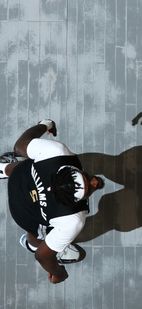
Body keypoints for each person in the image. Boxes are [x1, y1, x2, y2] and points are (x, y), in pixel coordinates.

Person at [0, 119, 104, 283]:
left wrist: (46, 124)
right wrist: (58, 273)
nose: (95, 182)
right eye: (89, 189)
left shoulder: (56, 153)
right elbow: (42, 255)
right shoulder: (72, 220)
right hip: (22, 212)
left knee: (26, 167)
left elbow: (19, 146)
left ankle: (3, 168)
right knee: (38, 232)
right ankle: (32, 243)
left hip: (19, 178)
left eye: (87, 178)